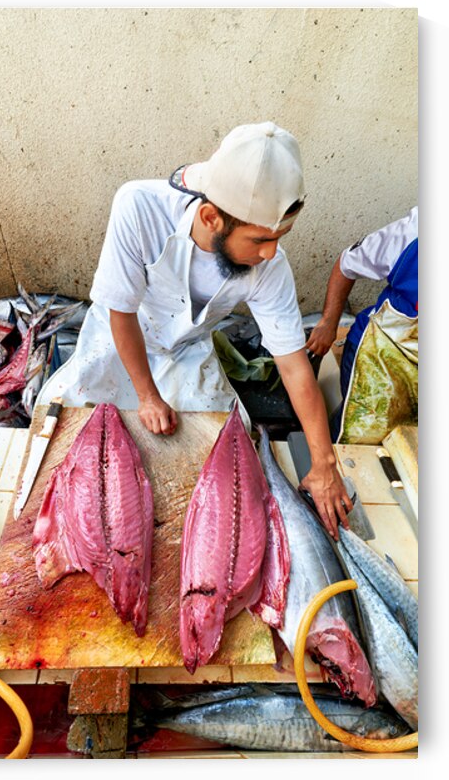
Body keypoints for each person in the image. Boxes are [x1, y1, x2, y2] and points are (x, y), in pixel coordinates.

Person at [37, 121, 351, 537]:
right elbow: (121, 312)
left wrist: (323, 462)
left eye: (281, 236)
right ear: (211, 217)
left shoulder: (271, 265)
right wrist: (148, 396)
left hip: (188, 348)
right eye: (259, 239)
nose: (272, 252)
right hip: (121, 336)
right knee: (73, 441)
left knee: (222, 458)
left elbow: (293, 366)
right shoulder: (139, 206)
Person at [307, 206, 418, 441]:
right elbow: (347, 265)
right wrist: (329, 323)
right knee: (359, 439)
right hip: (381, 359)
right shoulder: (414, 233)